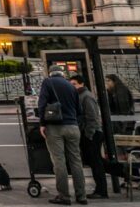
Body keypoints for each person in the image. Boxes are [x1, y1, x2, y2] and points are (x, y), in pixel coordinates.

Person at [38, 64, 86, 205]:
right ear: (62, 73)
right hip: (72, 126)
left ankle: (64, 196)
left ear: (50, 73)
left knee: (59, 162)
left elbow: (42, 104)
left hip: (55, 127)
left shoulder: (47, 82)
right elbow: (79, 109)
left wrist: (42, 123)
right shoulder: (71, 85)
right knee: (76, 161)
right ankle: (81, 196)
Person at [71, 74, 108, 199]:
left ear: (81, 84)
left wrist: (89, 134)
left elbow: (92, 117)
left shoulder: (86, 96)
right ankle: (100, 188)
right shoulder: (80, 95)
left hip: (93, 134)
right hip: (89, 133)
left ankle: (102, 190)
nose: (72, 86)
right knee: (94, 161)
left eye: (74, 84)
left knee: (96, 162)